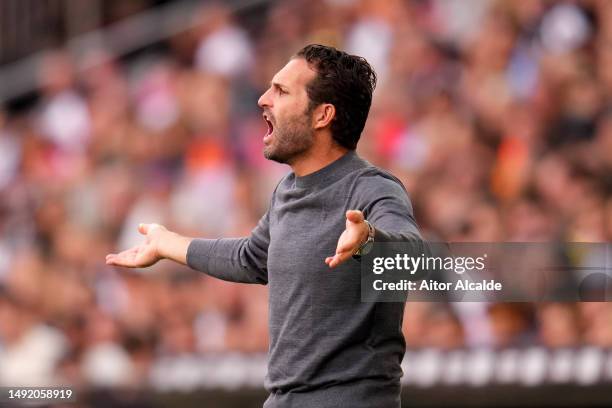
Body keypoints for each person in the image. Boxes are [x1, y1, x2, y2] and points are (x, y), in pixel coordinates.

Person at [106, 44, 425, 408]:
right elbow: (251, 257)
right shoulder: (286, 191)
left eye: (282, 91)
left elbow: (412, 256)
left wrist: (368, 240)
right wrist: (168, 244)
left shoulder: (371, 188)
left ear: (323, 115)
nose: (262, 99)